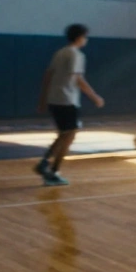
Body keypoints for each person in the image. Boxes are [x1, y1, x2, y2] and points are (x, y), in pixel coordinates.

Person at [35, 23, 105, 186]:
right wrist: (95, 97)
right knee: (69, 134)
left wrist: (43, 99)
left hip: (55, 99)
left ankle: (47, 165)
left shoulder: (59, 53)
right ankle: (51, 169)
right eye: (85, 37)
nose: (86, 40)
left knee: (65, 134)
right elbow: (78, 79)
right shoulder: (76, 55)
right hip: (67, 100)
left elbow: (47, 76)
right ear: (80, 37)